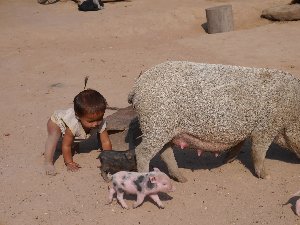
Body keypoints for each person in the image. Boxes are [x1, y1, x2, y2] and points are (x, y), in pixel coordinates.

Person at [44, 89, 112, 175]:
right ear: (78, 117)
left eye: (99, 119)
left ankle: (72, 146)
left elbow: (105, 142)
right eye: (90, 121)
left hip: (73, 127)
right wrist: (69, 163)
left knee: (74, 144)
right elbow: (66, 145)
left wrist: (109, 158)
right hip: (57, 122)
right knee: (54, 137)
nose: (95, 124)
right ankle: (48, 162)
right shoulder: (73, 124)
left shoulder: (100, 123)